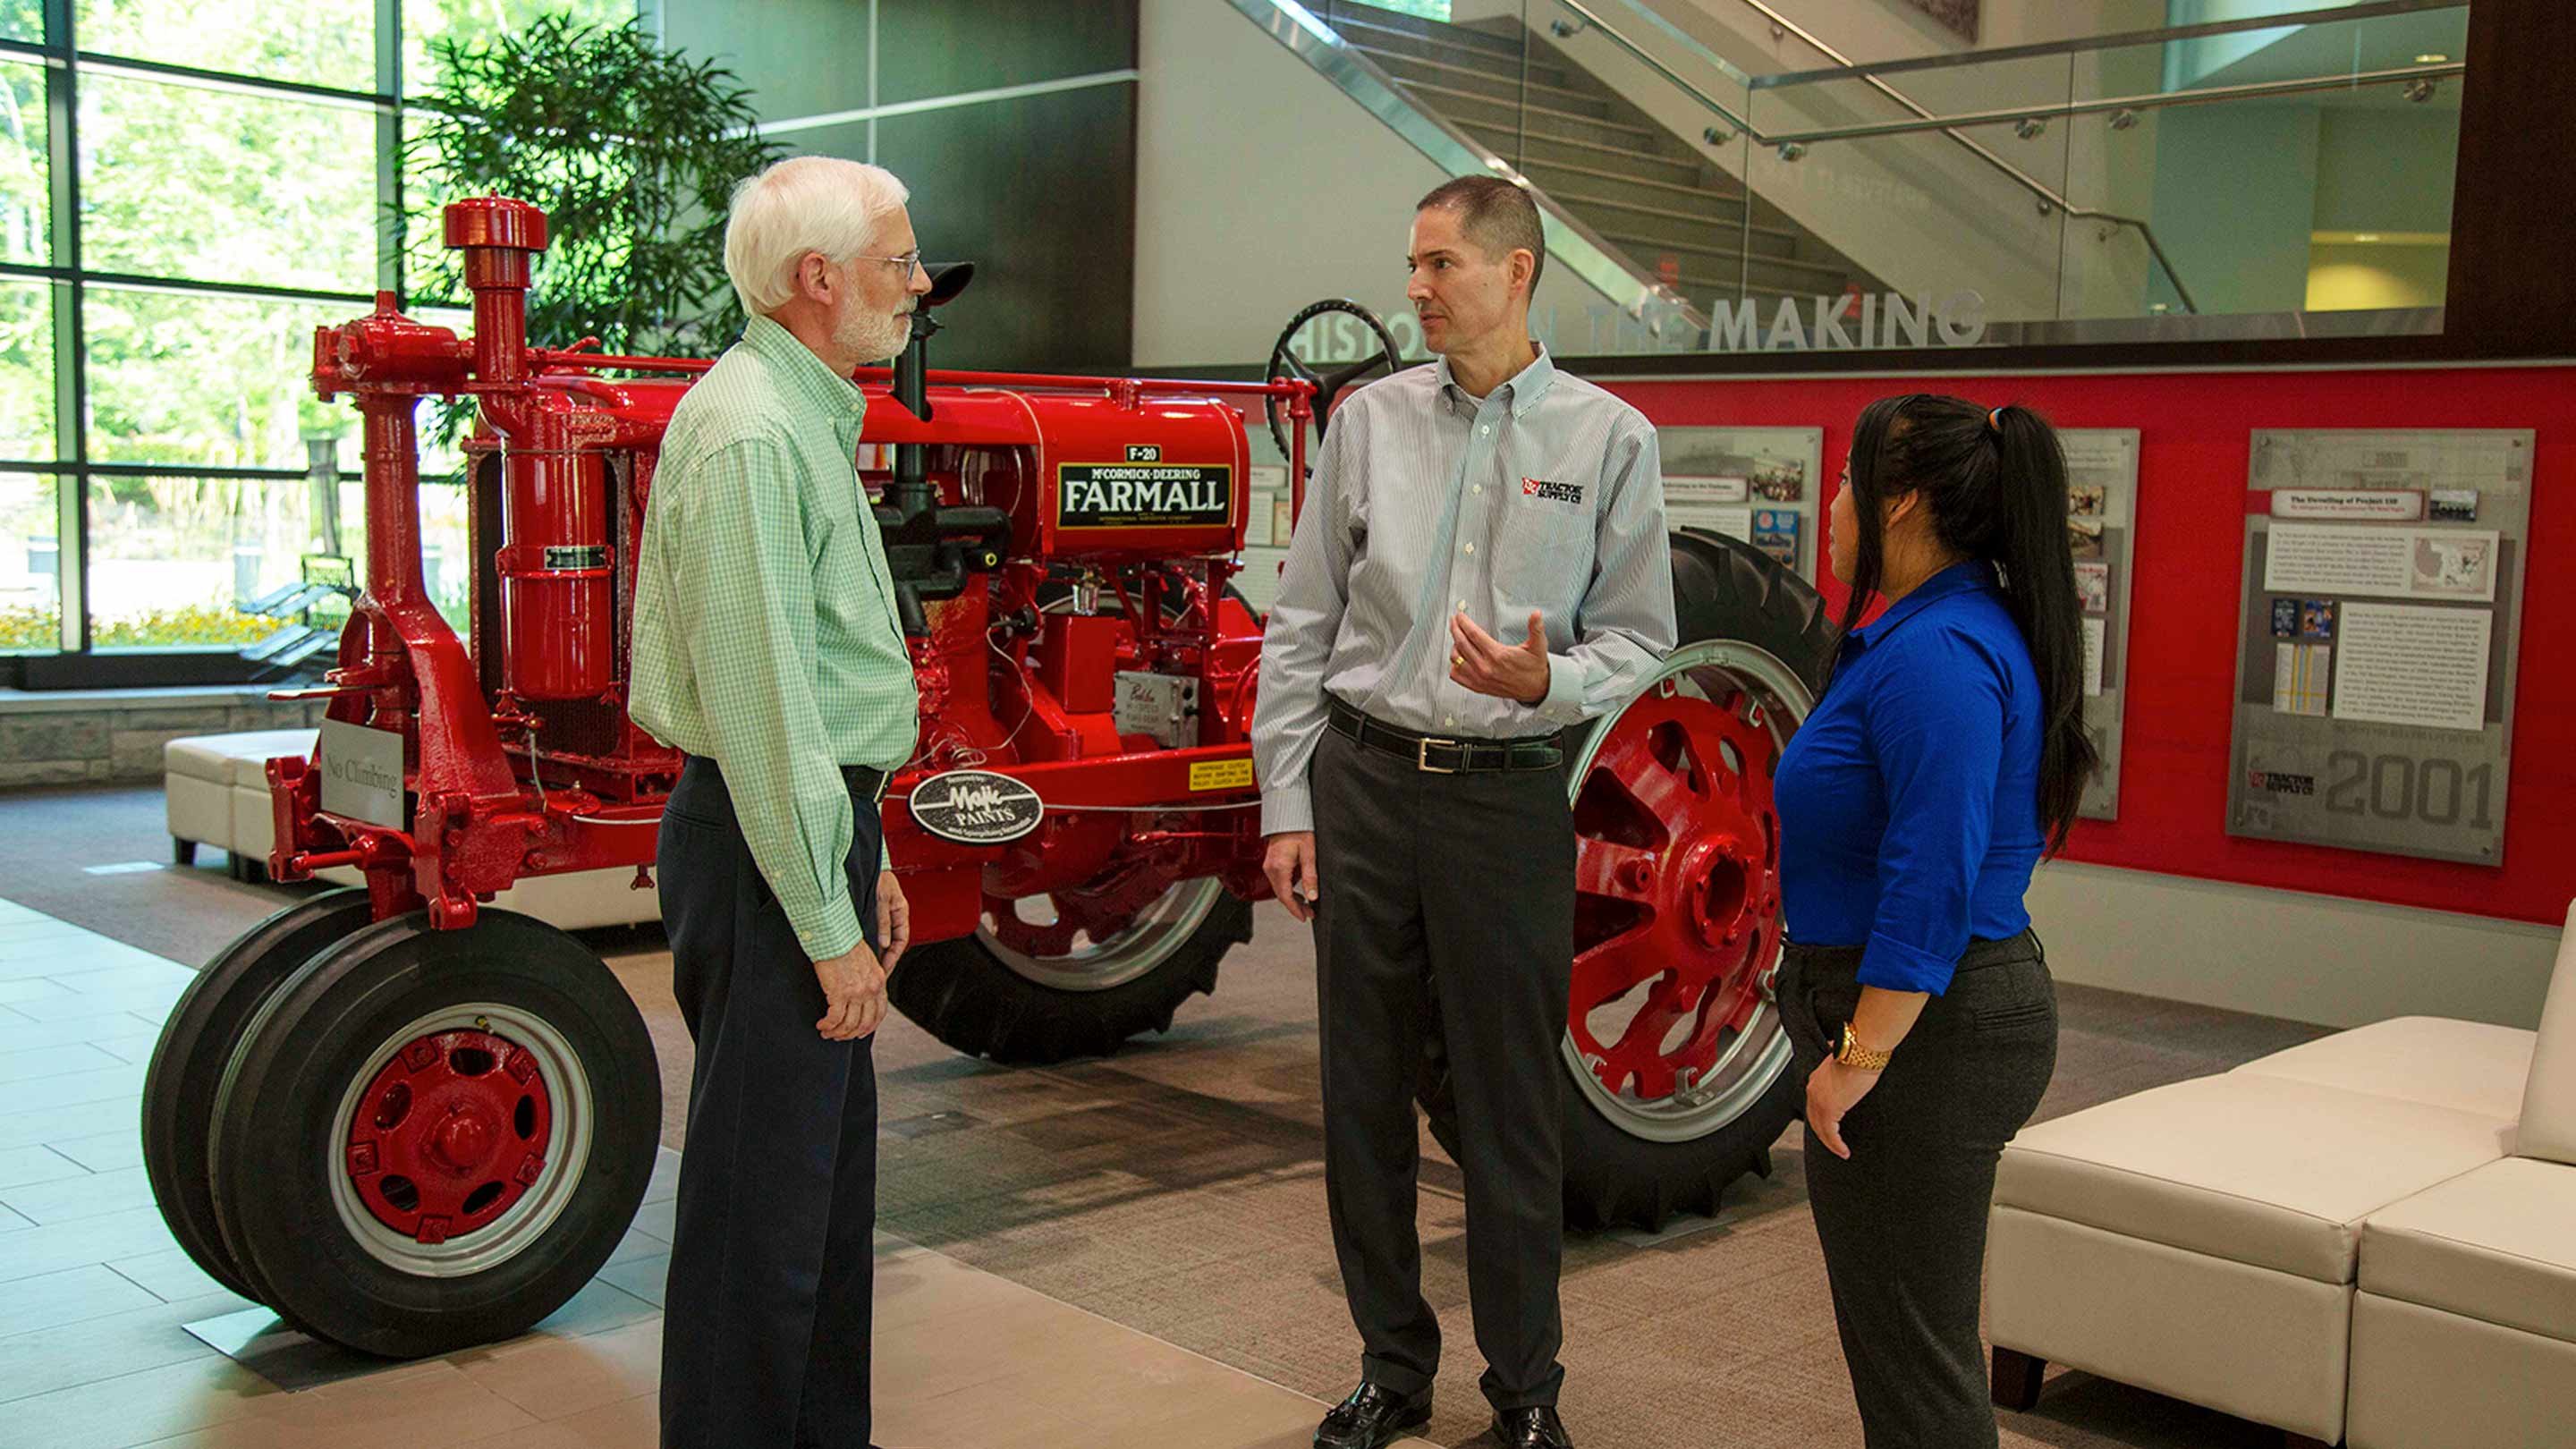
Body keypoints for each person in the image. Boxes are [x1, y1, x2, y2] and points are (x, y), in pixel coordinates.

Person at [1251, 174, 1676, 1449]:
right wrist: (1290, 803)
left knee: (1508, 1107)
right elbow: (1302, 627)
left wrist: (1555, 679)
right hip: (1367, 788)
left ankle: (1526, 1395)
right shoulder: (1367, 423)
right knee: (1362, 1100)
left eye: (1439, 265)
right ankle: (1392, 1369)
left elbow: (1644, 641)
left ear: (1518, 273)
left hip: (1505, 802)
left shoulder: (1611, 441)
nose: (1416, 289)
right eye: (1415, 264)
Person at [627, 155, 932, 1449]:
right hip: (765, 848)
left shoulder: (805, 411)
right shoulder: (756, 430)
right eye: (899, 260)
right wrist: (821, 909)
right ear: (820, 280)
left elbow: (812, 692)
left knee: (817, 1205)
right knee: (764, 1217)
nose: (920, 283)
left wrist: (862, 858)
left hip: (803, 829)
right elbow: (764, 708)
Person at [1771, 395, 2096, 1447]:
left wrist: (1859, 1056)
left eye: (1845, 478)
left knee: (1917, 1371)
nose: (1829, 501)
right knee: (1908, 1349)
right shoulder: (1934, 631)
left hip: (1924, 1035)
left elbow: (1933, 878)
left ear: (1899, 500)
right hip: (1925, 1022)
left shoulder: (1939, 653)